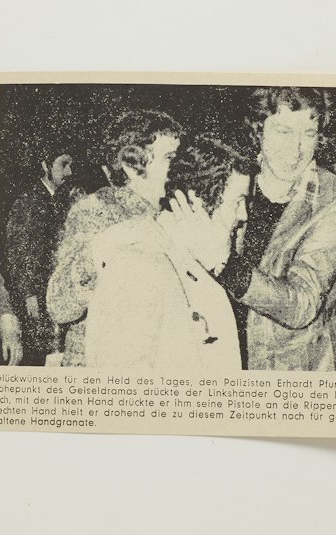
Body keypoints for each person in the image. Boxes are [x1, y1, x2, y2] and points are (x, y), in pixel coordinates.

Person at [218, 87, 336, 371]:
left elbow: (302, 304)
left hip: (292, 372)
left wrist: (225, 265)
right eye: (283, 131)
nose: (296, 150)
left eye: (308, 134)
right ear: (258, 130)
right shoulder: (232, 178)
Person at [86, 138, 251, 374]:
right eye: (238, 202)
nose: (243, 215)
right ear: (197, 202)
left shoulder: (193, 259)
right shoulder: (138, 266)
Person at [45, 109, 184, 365]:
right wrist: (103, 247)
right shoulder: (97, 210)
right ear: (132, 165)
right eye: (169, 158)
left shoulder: (176, 214)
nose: (179, 168)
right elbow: (59, 305)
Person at [0, 140, 78, 365]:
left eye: (71, 165)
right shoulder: (28, 202)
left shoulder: (61, 200)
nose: (69, 172)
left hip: (55, 293)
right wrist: (29, 293)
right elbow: (18, 253)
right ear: (45, 166)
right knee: (43, 354)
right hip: (35, 297)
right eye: (63, 165)